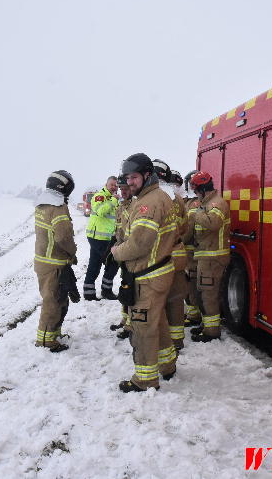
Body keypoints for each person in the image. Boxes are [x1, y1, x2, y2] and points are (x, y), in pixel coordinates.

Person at [111, 153, 178, 392]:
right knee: (156, 321)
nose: (130, 182)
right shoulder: (155, 197)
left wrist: (116, 251)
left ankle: (146, 379)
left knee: (142, 328)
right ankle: (168, 364)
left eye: (135, 177)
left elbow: (139, 244)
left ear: (147, 175)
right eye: (128, 178)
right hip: (157, 271)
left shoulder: (148, 203)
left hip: (149, 275)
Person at [33, 170, 80, 352]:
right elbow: (63, 237)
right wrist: (72, 252)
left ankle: (54, 333)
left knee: (59, 299)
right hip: (54, 263)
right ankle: (45, 340)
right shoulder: (58, 208)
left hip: (43, 261)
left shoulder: (42, 205)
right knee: (53, 302)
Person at [185, 170, 230, 342]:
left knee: (209, 294)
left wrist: (196, 213)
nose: (194, 193)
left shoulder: (216, 204)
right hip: (206, 256)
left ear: (203, 188)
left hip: (213, 258)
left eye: (195, 190)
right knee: (204, 293)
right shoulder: (206, 203)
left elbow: (213, 223)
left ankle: (212, 332)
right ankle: (207, 325)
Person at [153, 159, 188, 350]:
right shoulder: (177, 199)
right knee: (175, 300)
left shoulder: (150, 199)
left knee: (156, 301)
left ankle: (161, 341)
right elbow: (184, 226)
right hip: (178, 254)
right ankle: (177, 340)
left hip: (158, 258)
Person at [83, 176, 120, 301]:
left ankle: (89, 293)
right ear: (106, 184)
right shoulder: (100, 196)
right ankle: (106, 290)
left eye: (116, 185)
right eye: (112, 184)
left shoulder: (113, 198)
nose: (114, 187)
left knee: (95, 263)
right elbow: (101, 211)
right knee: (113, 262)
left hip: (107, 238)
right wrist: (114, 201)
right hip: (98, 237)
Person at [109, 174, 133, 339]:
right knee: (124, 287)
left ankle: (131, 325)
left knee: (132, 291)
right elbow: (119, 230)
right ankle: (124, 319)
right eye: (121, 189)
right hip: (122, 253)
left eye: (125, 189)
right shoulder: (121, 206)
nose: (122, 192)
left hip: (132, 254)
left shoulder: (135, 206)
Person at [182, 170, 202, 328]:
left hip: (191, 252)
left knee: (192, 285)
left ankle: (194, 315)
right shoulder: (188, 201)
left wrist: (175, 240)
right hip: (187, 252)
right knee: (188, 284)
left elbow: (189, 229)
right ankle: (192, 313)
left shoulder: (195, 203)